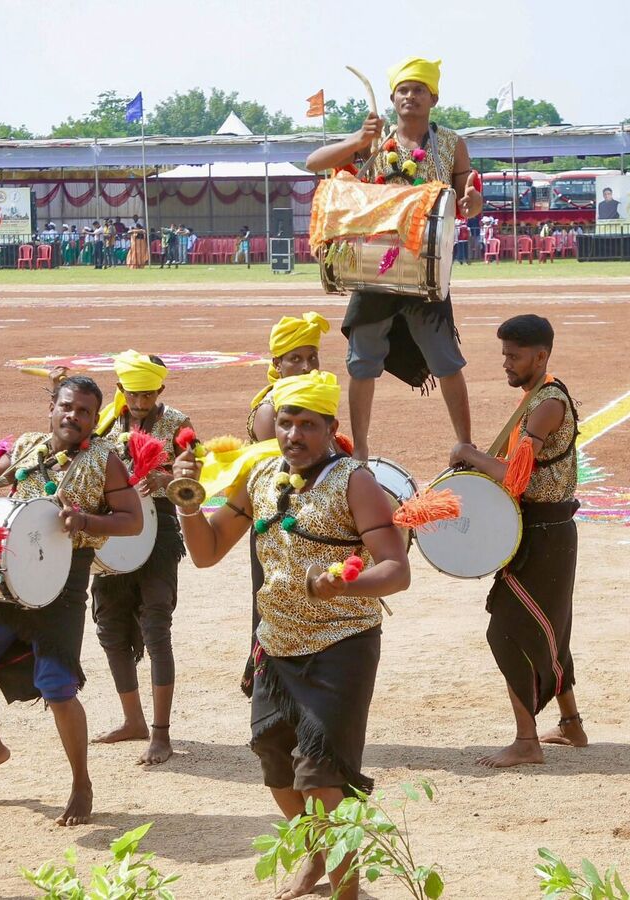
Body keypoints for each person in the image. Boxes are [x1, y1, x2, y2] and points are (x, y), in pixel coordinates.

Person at [171, 371, 410, 900]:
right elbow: (207, 553)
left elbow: (396, 569)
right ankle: (315, 856)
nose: (294, 435)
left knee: (324, 779)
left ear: (331, 428)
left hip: (340, 647)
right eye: (285, 422)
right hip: (274, 647)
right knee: (276, 764)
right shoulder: (259, 477)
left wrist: (340, 589)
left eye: (307, 424)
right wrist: (188, 503)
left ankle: (347, 892)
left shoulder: (355, 482)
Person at [0, 376, 144, 826]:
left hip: (62, 582)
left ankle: (81, 783)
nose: (74, 416)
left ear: (93, 418)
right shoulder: (29, 447)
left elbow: (131, 521)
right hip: (8, 574)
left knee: (58, 687)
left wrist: (84, 519)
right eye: (67, 406)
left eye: (85, 411)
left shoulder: (104, 459)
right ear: (52, 406)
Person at [302, 57, 483, 463]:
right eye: (404, 90)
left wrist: (472, 203)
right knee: (362, 362)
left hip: (425, 269)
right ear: (392, 98)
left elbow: (468, 199)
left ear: (433, 97)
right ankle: (361, 451)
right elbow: (313, 163)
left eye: (419, 89)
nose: (410, 96)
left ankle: (465, 445)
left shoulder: (452, 144)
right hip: (374, 267)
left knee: (447, 360)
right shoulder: (374, 140)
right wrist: (356, 139)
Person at [446, 315, 587, 768]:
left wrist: (470, 455)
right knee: (551, 628)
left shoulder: (546, 404)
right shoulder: (539, 396)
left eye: (514, 355)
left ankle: (527, 741)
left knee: (508, 628)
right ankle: (571, 724)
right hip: (544, 531)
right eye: (504, 354)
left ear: (540, 356)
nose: (505, 363)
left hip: (544, 536)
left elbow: (517, 478)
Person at [89, 352, 192, 766]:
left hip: (161, 528)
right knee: (110, 626)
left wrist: (164, 479)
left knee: (155, 626)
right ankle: (133, 721)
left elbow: (194, 479)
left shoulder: (179, 424)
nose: (141, 401)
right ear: (121, 391)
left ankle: (161, 733)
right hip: (113, 529)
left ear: (160, 391)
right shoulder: (104, 426)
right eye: (134, 393)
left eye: (148, 393)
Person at [249, 312, 328, 443]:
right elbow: (280, 462)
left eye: (312, 358)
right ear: (277, 364)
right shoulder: (269, 411)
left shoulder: (314, 400)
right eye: (296, 359)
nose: (307, 367)